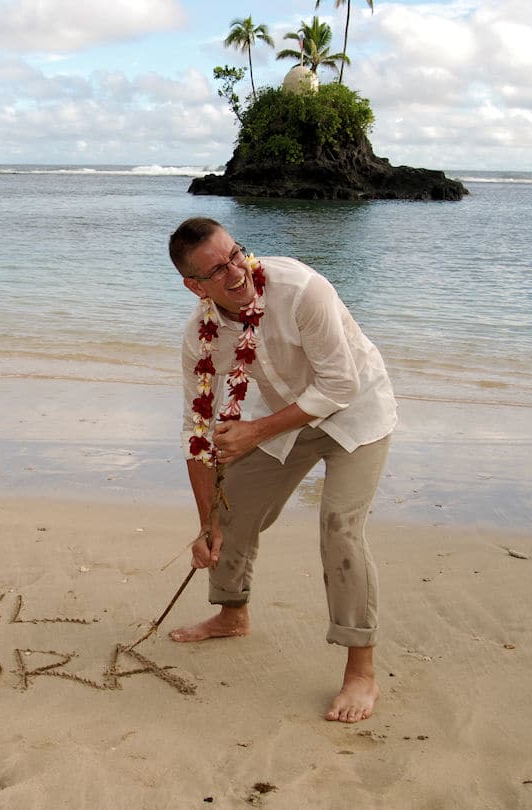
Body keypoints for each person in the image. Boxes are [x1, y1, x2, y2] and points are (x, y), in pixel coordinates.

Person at [166, 217, 397, 723]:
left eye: (236, 255)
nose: (236, 273)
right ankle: (232, 614)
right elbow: (196, 432)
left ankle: (361, 670)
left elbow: (338, 385)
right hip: (284, 422)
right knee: (230, 515)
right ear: (193, 286)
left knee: (340, 528)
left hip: (356, 411)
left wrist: (254, 431)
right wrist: (206, 523)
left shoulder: (300, 288)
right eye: (216, 270)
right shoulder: (198, 338)